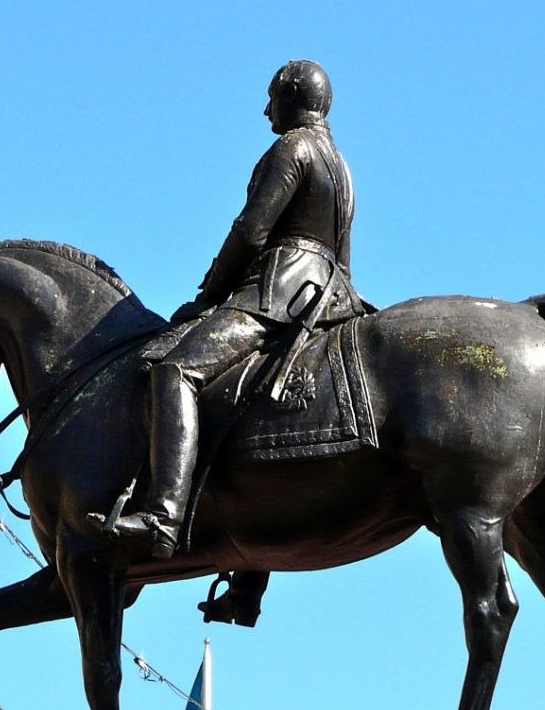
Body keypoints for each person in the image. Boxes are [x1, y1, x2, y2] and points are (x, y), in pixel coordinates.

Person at [108, 60, 366, 560]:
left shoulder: (292, 148)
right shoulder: (342, 165)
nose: (266, 107)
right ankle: (248, 578)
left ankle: (162, 515)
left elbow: (252, 230)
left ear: (291, 99)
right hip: (330, 295)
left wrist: (207, 297)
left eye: (272, 97)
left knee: (175, 371)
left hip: (281, 290)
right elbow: (343, 251)